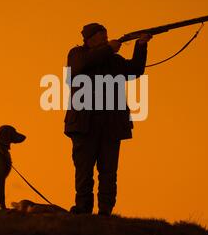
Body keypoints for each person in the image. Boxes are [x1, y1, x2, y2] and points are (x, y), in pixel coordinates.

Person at [64, 23, 152, 216]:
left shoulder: (113, 60)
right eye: (101, 37)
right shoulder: (76, 54)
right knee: (84, 171)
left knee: (108, 172)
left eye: (106, 37)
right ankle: (83, 209)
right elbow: (82, 64)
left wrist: (141, 45)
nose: (106, 40)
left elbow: (136, 70)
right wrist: (108, 49)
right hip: (84, 124)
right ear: (89, 39)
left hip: (111, 124)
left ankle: (105, 211)